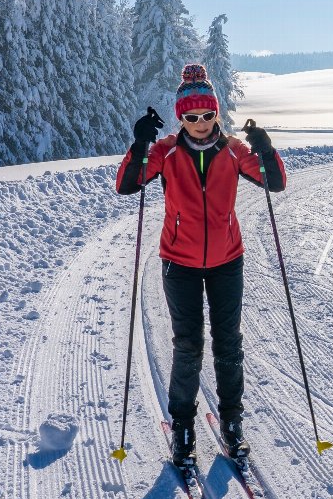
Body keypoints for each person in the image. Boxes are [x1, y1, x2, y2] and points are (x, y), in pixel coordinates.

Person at [116, 63, 286, 469]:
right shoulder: (166, 151)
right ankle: (184, 427)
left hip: (228, 260)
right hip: (180, 262)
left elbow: (275, 182)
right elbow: (127, 184)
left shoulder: (232, 150)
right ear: (181, 117)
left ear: (216, 113)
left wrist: (265, 147)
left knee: (228, 343)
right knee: (188, 345)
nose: (200, 123)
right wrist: (139, 144)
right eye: (191, 117)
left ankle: (232, 422)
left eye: (207, 115)